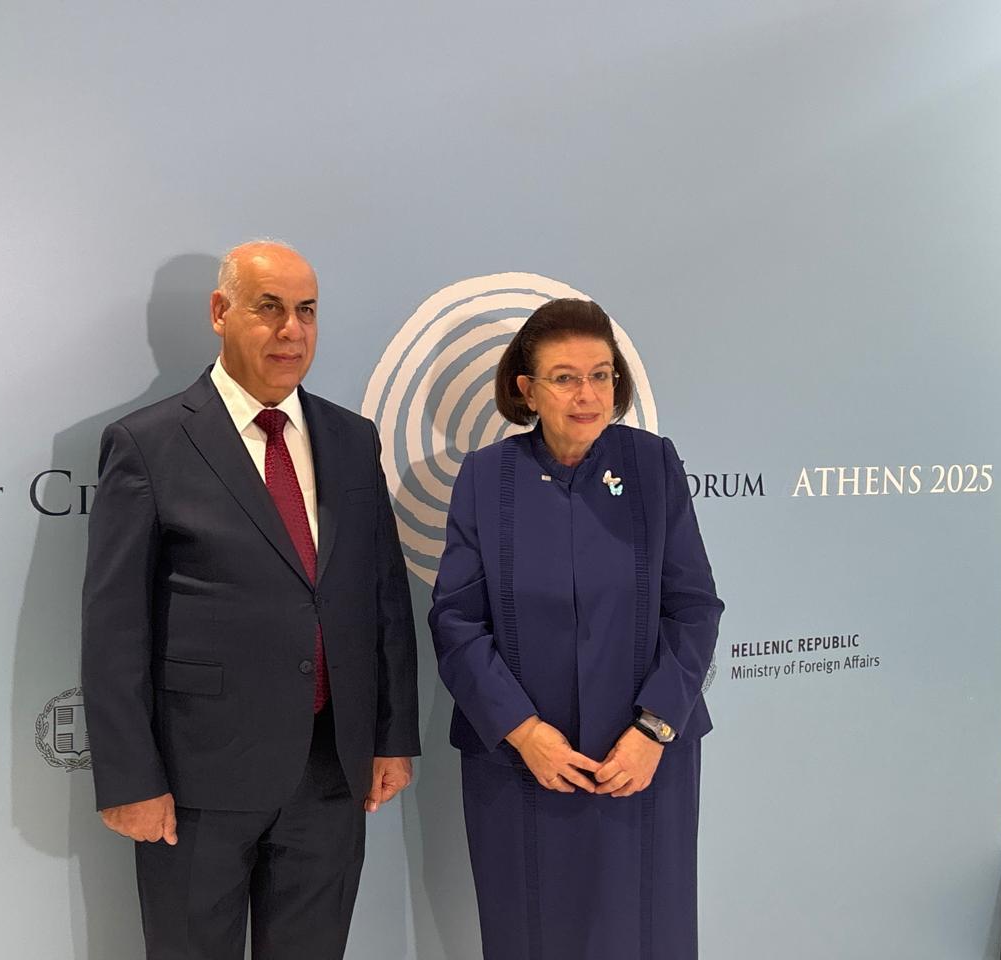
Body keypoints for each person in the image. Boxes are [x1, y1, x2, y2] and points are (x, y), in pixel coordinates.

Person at [81, 240, 420, 960]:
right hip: (196, 782)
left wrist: (392, 734)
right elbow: (114, 630)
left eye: (307, 311)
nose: (291, 330)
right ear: (220, 312)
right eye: (269, 309)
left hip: (330, 772)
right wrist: (130, 778)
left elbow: (384, 598)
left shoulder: (351, 438)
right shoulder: (147, 444)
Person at [429, 298, 724, 960]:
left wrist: (654, 730)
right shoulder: (485, 478)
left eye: (600, 375)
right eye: (564, 378)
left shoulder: (653, 464)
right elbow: (455, 618)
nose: (587, 394)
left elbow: (694, 606)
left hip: (641, 761)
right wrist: (523, 731)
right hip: (522, 764)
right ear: (526, 389)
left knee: (646, 935)